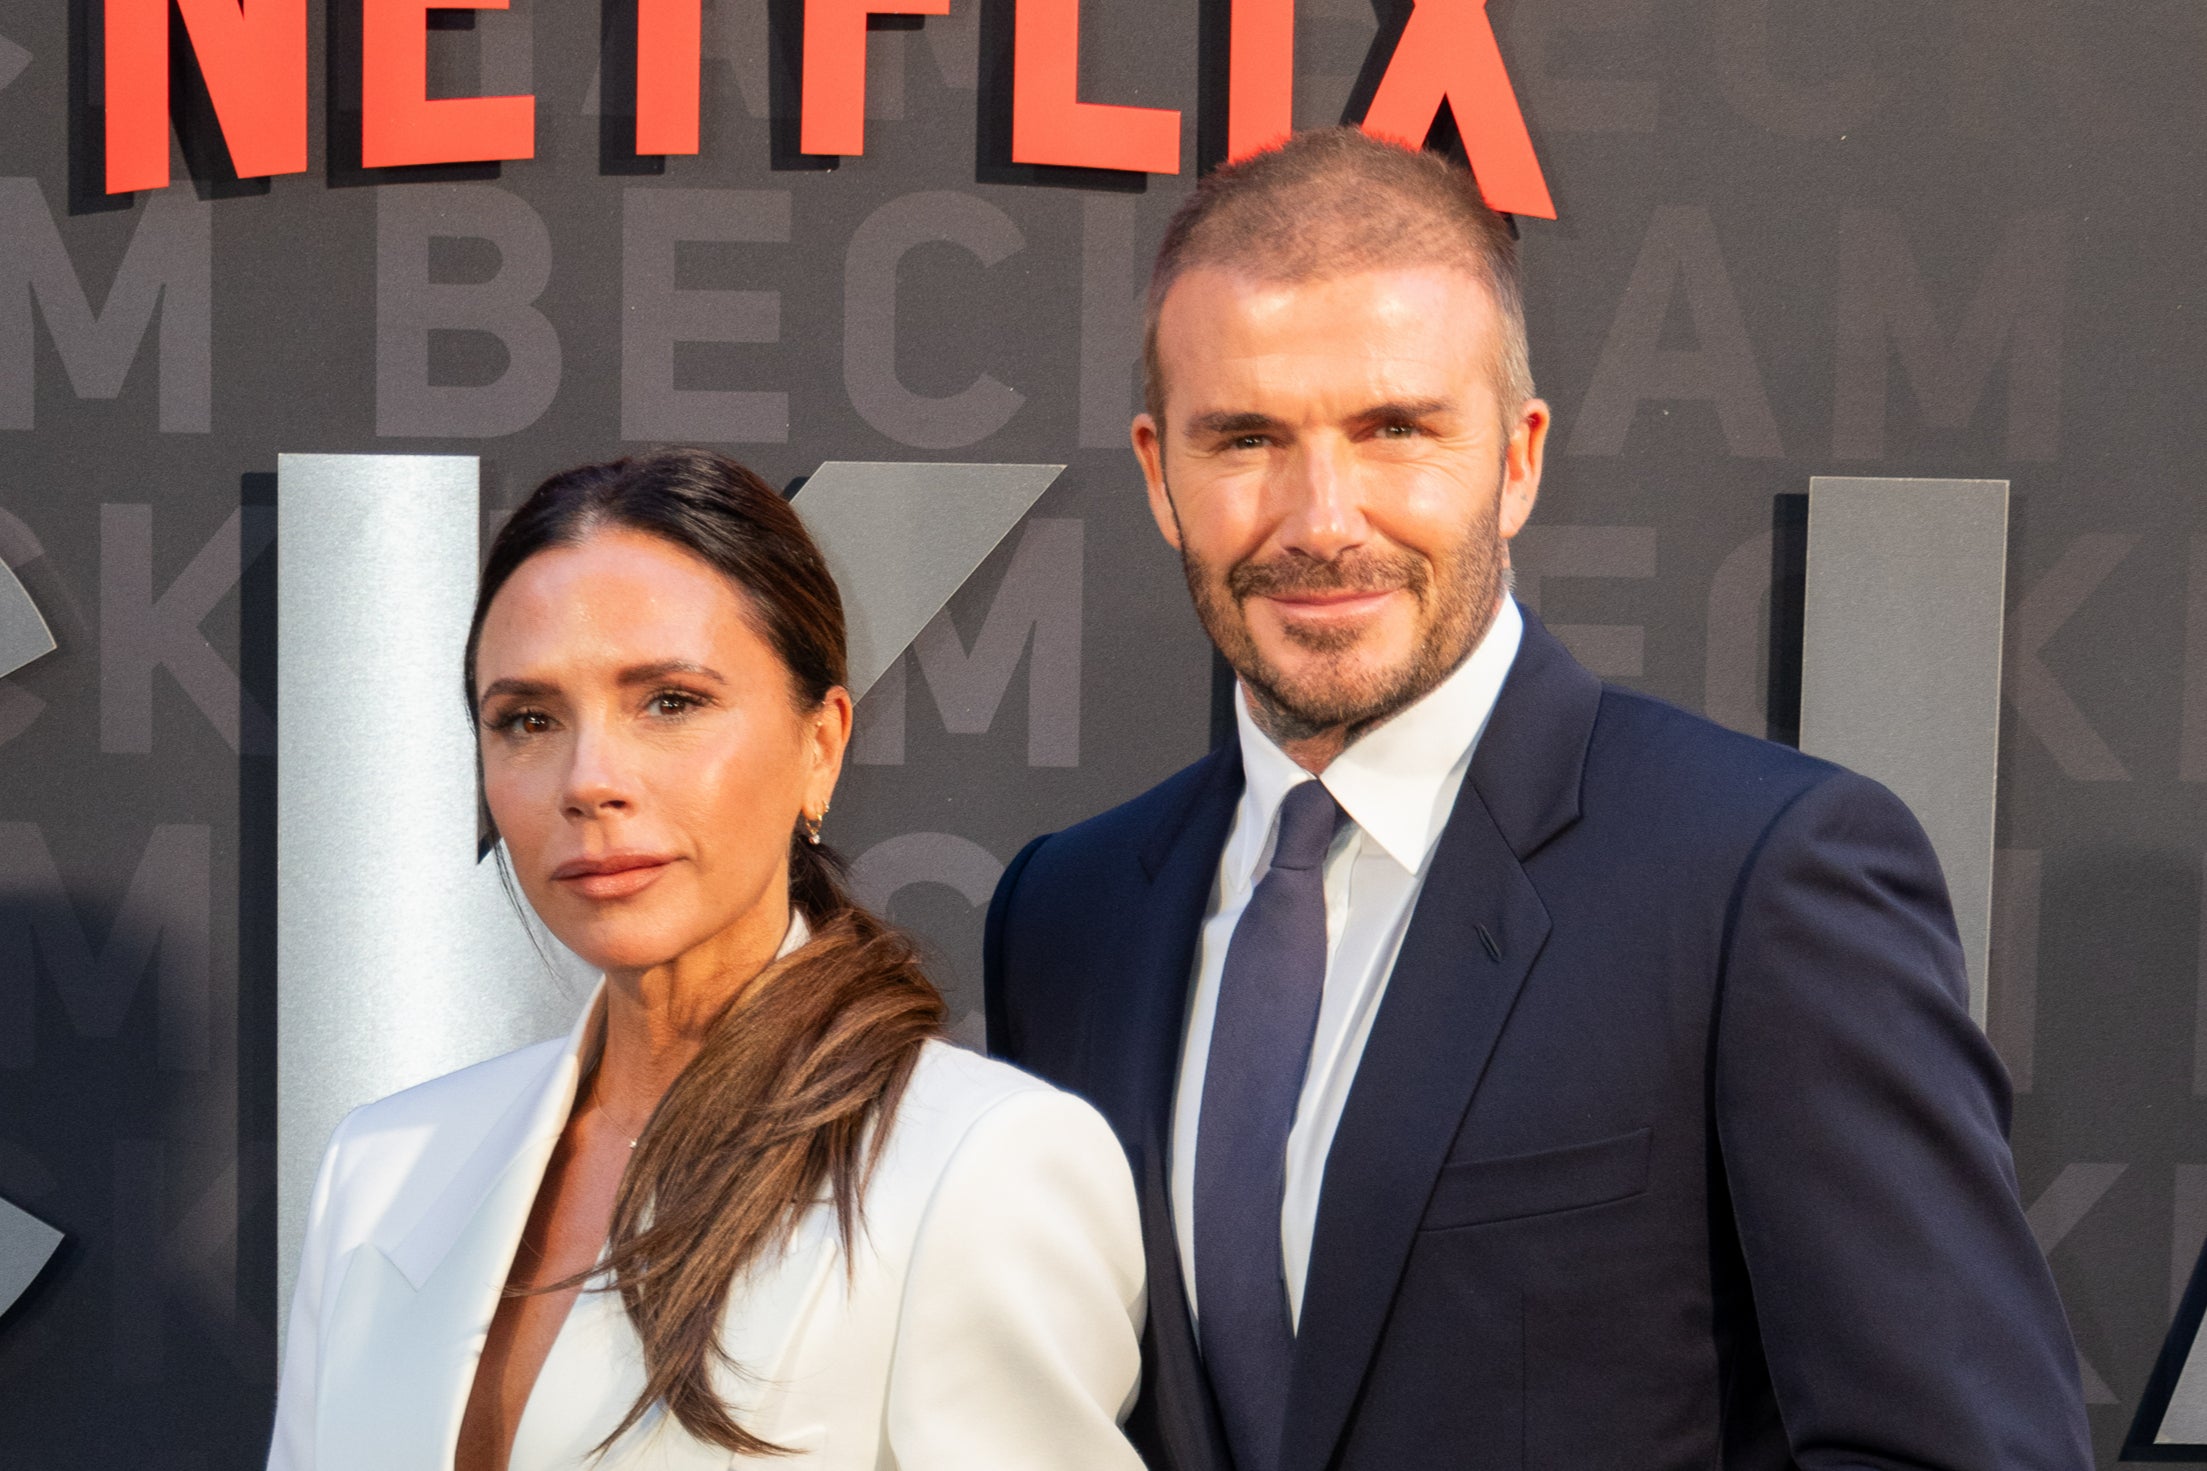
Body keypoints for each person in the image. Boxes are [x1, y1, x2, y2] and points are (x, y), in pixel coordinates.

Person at [984, 127, 2092, 1471]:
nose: (1319, 517)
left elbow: (1961, 1449)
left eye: (1392, 428)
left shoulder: (1755, 881)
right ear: (1159, 474)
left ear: (1515, 458)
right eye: (1246, 437)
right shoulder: (1068, 912)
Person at [269, 449, 1146, 1471]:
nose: (590, 781)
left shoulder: (979, 1167)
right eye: (528, 719)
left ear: (819, 745)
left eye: (669, 702)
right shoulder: (384, 1166)